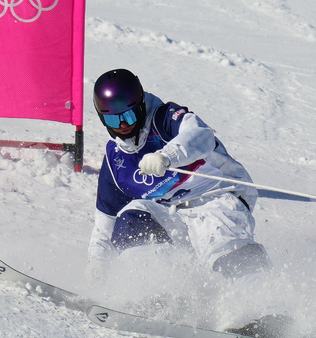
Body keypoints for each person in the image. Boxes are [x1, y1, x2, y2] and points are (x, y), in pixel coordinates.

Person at [85, 68, 271, 284]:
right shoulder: (115, 161)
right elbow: (106, 219)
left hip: (217, 198)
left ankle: (266, 304)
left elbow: (202, 135)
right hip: (172, 213)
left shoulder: (165, 119)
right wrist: (97, 259)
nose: (124, 125)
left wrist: (167, 156)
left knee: (221, 246)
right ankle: (162, 294)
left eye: (129, 115)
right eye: (114, 120)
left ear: (141, 106)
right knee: (131, 219)